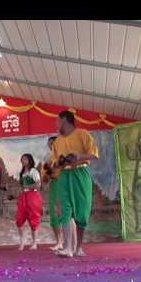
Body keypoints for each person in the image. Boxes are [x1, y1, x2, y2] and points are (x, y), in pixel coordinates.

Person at [51, 110, 99, 258]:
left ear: (65, 120)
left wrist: (78, 156)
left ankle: (78, 248)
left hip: (81, 173)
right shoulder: (57, 141)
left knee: (82, 211)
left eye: (58, 120)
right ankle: (67, 248)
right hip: (64, 175)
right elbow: (53, 163)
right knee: (65, 210)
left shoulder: (82, 134)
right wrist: (58, 162)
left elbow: (94, 154)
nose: (56, 124)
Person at [14, 154, 42, 251]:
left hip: (33, 196)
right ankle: (22, 240)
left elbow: (38, 184)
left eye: (25, 159)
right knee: (19, 219)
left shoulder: (33, 171)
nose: (23, 161)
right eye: (22, 159)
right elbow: (22, 188)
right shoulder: (22, 173)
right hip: (23, 197)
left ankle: (34, 243)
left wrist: (27, 187)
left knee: (33, 219)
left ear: (29, 160)